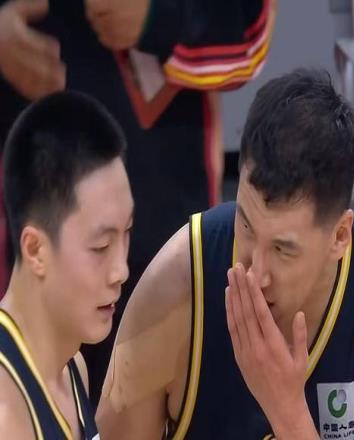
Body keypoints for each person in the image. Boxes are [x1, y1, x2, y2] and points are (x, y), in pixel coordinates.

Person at [96, 69, 354, 439]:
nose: (254, 273)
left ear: (339, 236)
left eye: (282, 249)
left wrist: (286, 410)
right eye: (245, 226)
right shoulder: (176, 281)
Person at [0, 0, 276, 405]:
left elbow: (251, 31)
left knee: (163, 392)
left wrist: (158, 17)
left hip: (162, 206)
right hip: (31, 208)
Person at [0, 91, 133, 439]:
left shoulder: (73, 366)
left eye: (127, 233)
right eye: (101, 247)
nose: (121, 270)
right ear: (35, 250)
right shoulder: (7, 416)